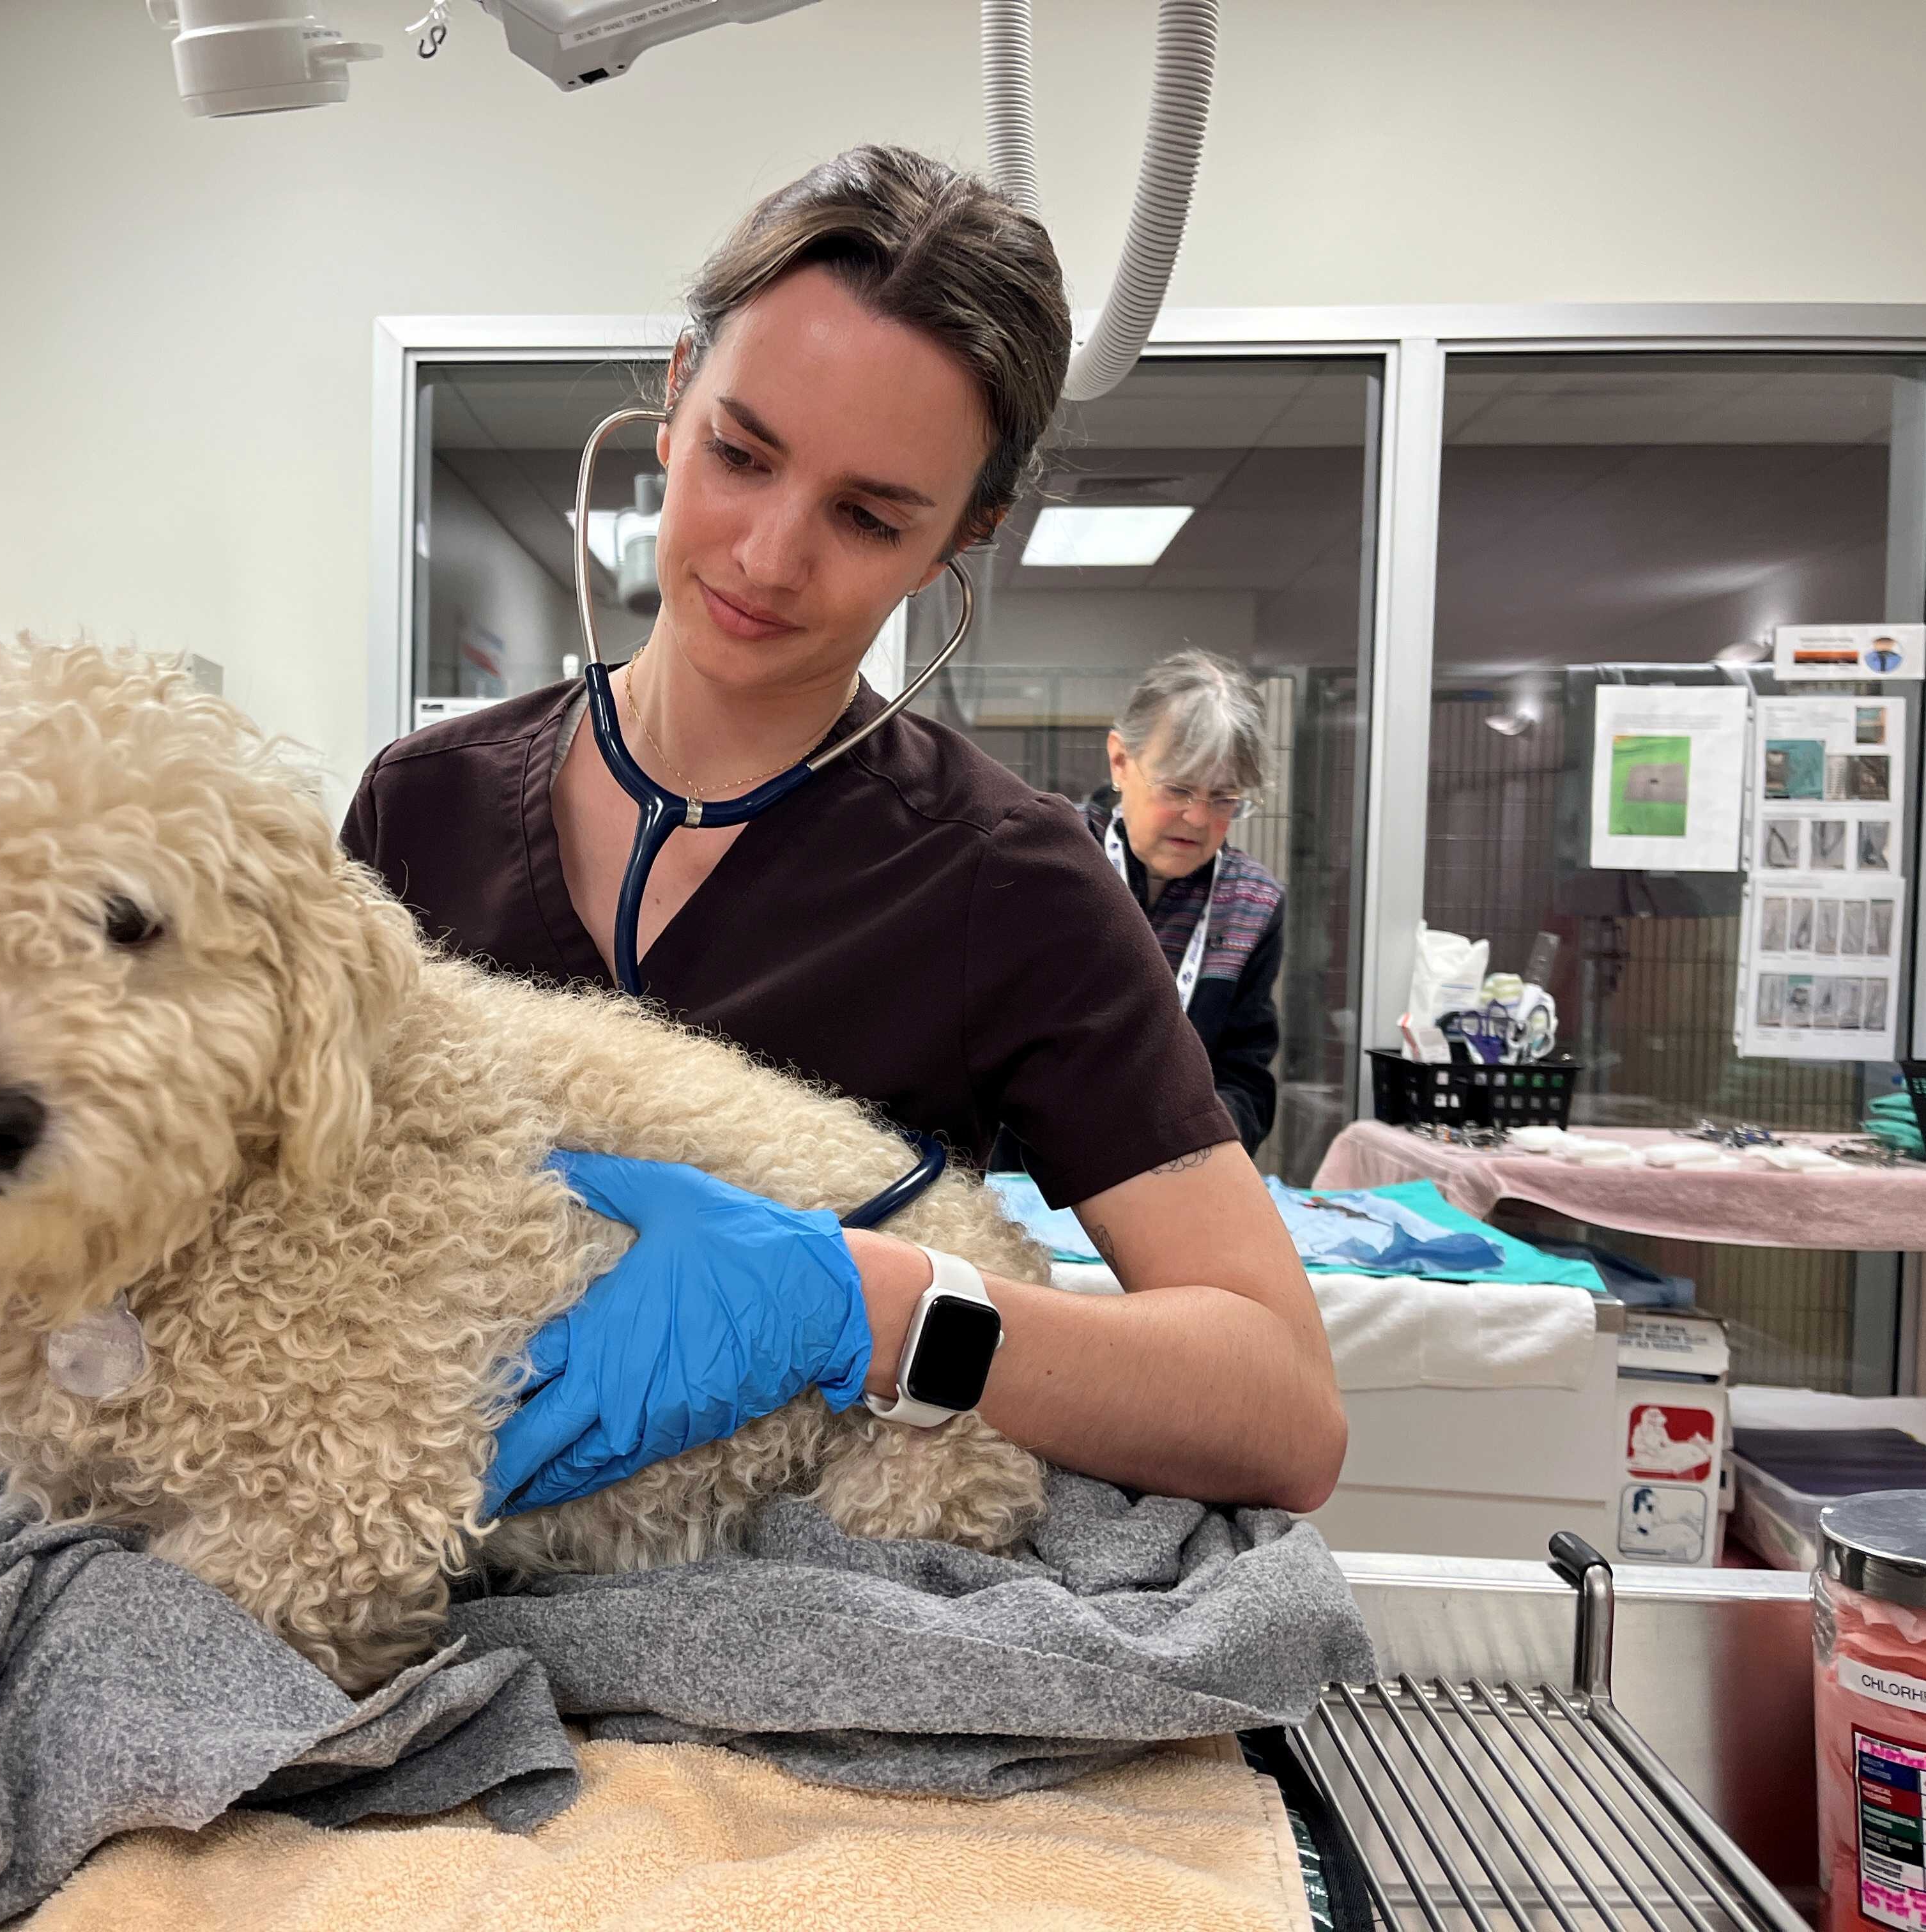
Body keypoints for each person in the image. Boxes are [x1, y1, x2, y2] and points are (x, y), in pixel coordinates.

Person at [343, 146, 1344, 1522]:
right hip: (418, 1567)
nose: (767, 555)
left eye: (868, 516)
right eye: (741, 454)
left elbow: (1282, 1408)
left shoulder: (1008, 881)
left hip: (784, 1635)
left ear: (963, 539)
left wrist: (865, 1304)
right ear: (676, 393)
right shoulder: (422, 805)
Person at [1085, 652, 1286, 1155]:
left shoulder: (1252, 903)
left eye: (1225, 799)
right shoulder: (1046, 864)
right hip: (1026, 1172)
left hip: (1176, 1169)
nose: (1197, 819)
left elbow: (1246, 1074)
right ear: (1120, 761)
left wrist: (1204, 1140)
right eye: (1178, 789)